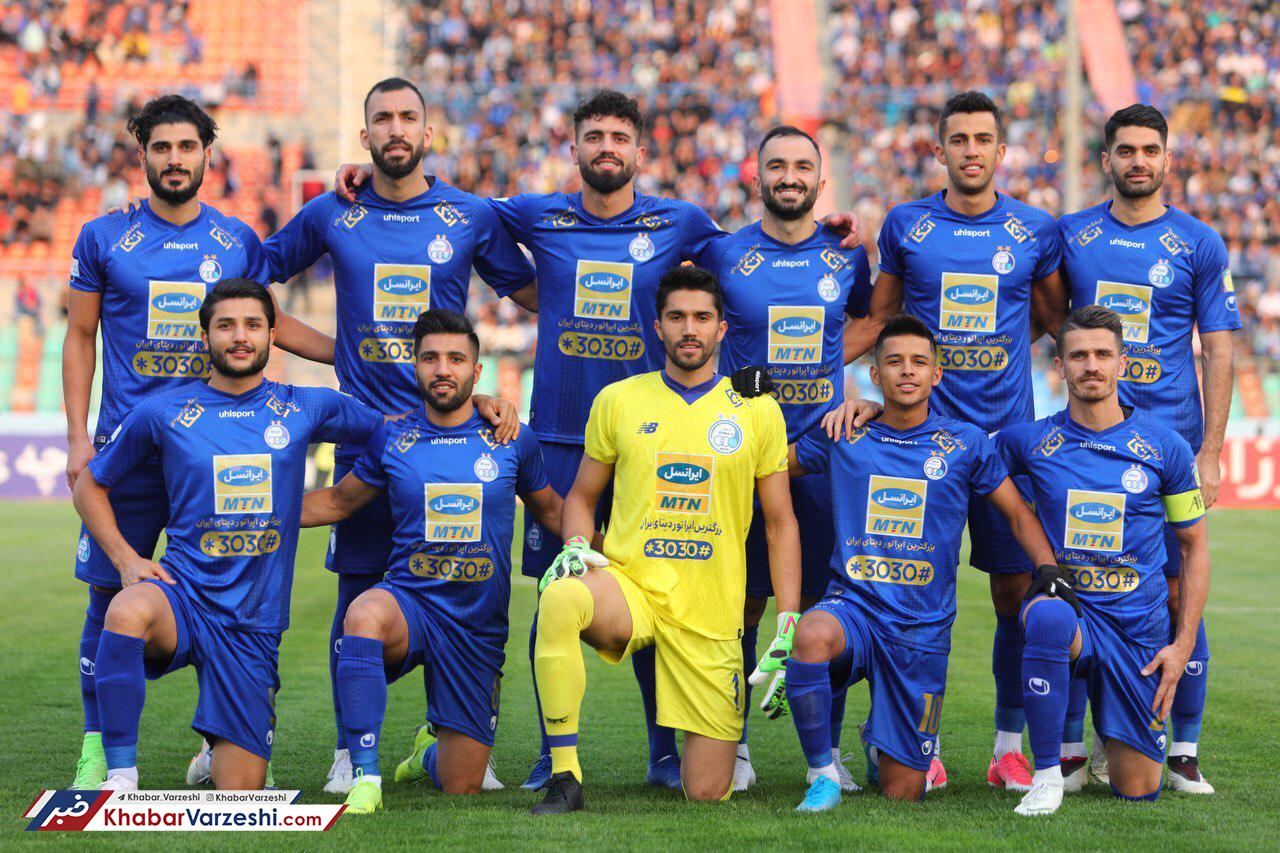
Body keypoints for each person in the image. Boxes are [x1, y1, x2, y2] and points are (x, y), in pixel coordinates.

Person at [334, 89, 862, 791]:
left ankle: (665, 751)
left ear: (640, 151)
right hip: (559, 438)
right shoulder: (534, 214)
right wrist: (372, 182)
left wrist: (828, 230)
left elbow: (757, 260)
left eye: (619, 136)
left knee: (654, 591)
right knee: (558, 591)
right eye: (594, 136)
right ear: (574, 147)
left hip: (655, 436)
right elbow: (458, 210)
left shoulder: (682, 222)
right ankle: (548, 754)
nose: (606, 146)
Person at [262, 76, 530, 794]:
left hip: (452, 436)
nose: (396, 128)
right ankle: (350, 749)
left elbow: (536, 290)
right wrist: (333, 351)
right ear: (366, 135)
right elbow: (253, 275)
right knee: (359, 595)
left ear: (429, 132)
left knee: (469, 583)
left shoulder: (468, 215)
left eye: (409, 116)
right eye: (383, 118)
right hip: (367, 437)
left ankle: (460, 735)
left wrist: (486, 394)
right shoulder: (333, 211)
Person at [62, 94, 333, 790]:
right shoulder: (103, 237)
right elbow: (81, 335)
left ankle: (220, 740)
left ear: (208, 155)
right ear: (143, 155)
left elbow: (269, 322)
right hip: (128, 450)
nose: (175, 159)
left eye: (187, 147)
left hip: (213, 452)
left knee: (227, 589)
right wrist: (77, 436)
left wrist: (354, 355)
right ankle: (97, 746)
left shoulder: (235, 239)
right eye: (162, 147)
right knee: (110, 596)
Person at [70, 279, 383, 791]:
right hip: (183, 597)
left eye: (253, 325)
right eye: (226, 326)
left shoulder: (307, 406)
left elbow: (395, 434)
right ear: (205, 337)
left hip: (252, 624)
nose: (240, 337)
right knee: (124, 610)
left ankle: (217, 753)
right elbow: (90, 485)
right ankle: (120, 775)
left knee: (239, 790)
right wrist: (126, 560)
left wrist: (329, 502)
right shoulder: (163, 411)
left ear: (272, 335)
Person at [842, 91, 1066, 790]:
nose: (972, 150)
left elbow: (1054, 320)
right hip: (917, 445)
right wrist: (813, 384)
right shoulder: (907, 224)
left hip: (1002, 443)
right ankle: (914, 741)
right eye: (959, 139)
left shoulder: (1034, 229)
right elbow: (880, 322)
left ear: (1001, 151)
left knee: (1013, 597)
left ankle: (1007, 748)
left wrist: (997, 348)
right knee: (904, 592)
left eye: (983, 139)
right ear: (939, 150)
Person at [529, 265, 799, 814]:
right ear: (658, 327)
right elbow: (580, 497)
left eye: (702, 317)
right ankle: (565, 776)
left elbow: (780, 523)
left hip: (712, 613)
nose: (689, 329)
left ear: (721, 328)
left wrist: (788, 624)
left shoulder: (757, 409)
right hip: (633, 590)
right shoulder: (619, 399)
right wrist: (577, 547)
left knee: (707, 791)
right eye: (677, 317)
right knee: (560, 597)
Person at [771, 314, 1057, 810]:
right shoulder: (845, 432)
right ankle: (822, 775)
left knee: (902, 791)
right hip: (854, 608)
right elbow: (773, 462)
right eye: (895, 361)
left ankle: (879, 741)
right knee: (811, 635)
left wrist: (1048, 568)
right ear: (874, 373)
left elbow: (1016, 512)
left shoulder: (965, 443)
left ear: (936, 374)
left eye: (919, 362)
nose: (907, 370)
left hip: (921, 628)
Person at [298, 309, 563, 813]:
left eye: (456, 359)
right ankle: (364, 775)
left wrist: (609, 545)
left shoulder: (511, 438)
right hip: (411, 604)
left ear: (476, 371)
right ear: (416, 367)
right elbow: (336, 501)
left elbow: (550, 508)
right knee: (362, 614)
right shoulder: (391, 437)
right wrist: (257, 509)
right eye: (431, 358)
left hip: (476, 625)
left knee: (462, 784)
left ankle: (426, 753)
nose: (443, 369)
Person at [1055, 104, 1238, 793]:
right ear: (1106, 159)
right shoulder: (1073, 235)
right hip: (1090, 446)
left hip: (1172, 449)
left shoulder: (1198, 242)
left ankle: (1182, 748)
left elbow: (1218, 348)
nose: (1138, 161)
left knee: (1177, 588)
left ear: (1167, 158)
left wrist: (1210, 450)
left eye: (1149, 150)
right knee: (1081, 585)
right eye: (1125, 150)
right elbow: (1041, 314)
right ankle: (1074, 748)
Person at [701, 124, 872, 791]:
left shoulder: (846, 254)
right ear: (757, 177)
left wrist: (840, 381)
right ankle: (736, 746)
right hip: (744, 461)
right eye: (777, 165)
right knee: (740, 609)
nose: (790, 176)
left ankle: (826, 754)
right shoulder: (722, 253)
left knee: (829, 611)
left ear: (820, 181)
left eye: (803, 166)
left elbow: (871, 320)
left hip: (824, 461)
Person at [997, 305, 1210, 816]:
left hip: (1136, 628)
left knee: (1138, 788)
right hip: (1071, 613)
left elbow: (1195, 547)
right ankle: (1047, 775)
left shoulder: (1166, 447)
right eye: (1078, 356)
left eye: (1102, 354)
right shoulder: (1027, 441)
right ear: (1059, 366)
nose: (1091, 365)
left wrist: (1182, 646)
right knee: (1047, 615)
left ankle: (1113, 736)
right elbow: (948, 449)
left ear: (1121, 363)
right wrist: (874, 409)